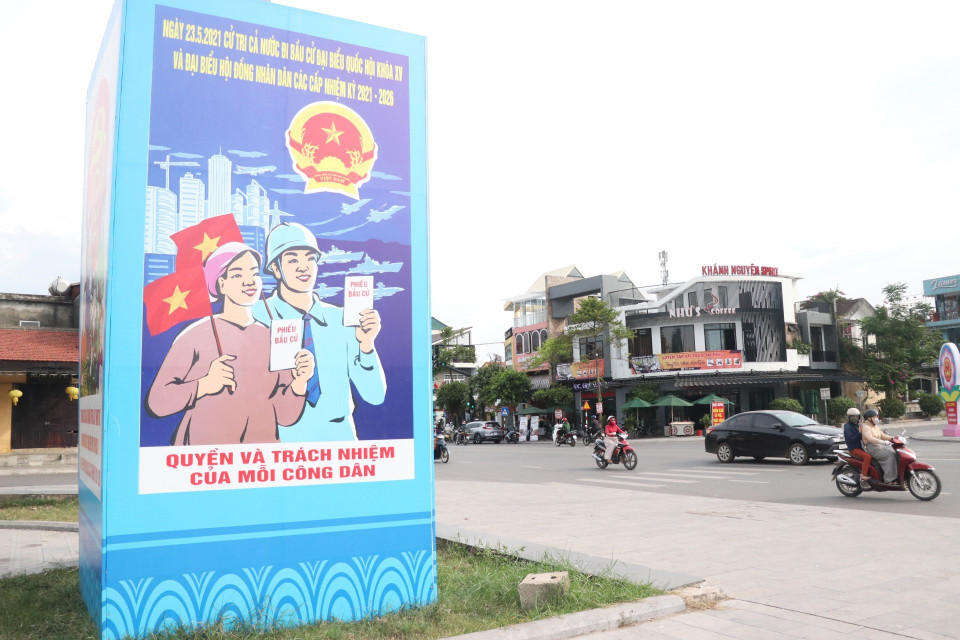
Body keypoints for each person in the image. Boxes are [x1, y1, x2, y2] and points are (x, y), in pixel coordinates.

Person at [146, 243, 316, 445]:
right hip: (204, 459)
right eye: (237, 275)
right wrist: (205, 384)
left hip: (259, 459)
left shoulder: (274, 337)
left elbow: (286, 416)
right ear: (221, 284)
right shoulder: (194, 335)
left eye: (254, 273)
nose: (249, 282)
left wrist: (299, 382)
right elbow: (157, 402)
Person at [254, 223, 386, 442]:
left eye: (310, 258)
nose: (303, 267)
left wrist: (366, 345)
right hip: (280, 443)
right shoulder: (257, 315)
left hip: (340, 441)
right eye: (293, 259)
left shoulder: (342, 319)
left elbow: (374, 395)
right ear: (275, 269)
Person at [860, 408, 898, 484]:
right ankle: (889, 479)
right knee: (889, 456)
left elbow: (882, 435)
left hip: (879, 447)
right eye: (875, 417)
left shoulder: (874, 426)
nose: (877, 418)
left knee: (895, 454)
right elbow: (870, 438)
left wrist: (893, 438)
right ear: (869, 418)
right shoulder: (865, 427)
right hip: (872, 448)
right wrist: (882, 442)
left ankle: (896, 476)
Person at [842, 407, 872, 488]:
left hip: (861, 447)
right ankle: (864, 475)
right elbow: (850, 439)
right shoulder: (848, 427)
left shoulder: (858, 425)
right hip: (854, 448)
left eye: (856, 416)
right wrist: (859, 433)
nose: (855, 418)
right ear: (849, 417)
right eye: (852, 416)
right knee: (867, 457)